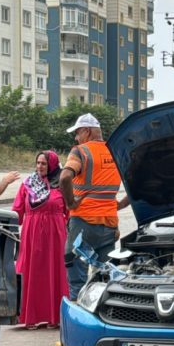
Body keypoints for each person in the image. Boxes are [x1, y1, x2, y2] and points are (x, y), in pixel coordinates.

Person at [59, 113, 130, 302]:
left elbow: (65, 177)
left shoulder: (80, 151)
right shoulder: (115, 151)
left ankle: (78, 311)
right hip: (109, 224)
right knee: (105, 277)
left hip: (84, 222)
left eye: (77, 133)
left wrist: (70, 203)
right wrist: (120, 204)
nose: (76, 138)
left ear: (86, 131)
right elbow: (137, 181)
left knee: (74, 265)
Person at [11, 151, 69, 328]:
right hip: (32, 235)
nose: (40, 167)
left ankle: (54, 317)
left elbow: (70, 210)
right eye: (38, 163)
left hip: (55, 236)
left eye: (44, 163)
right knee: (31, 272)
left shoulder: (62, 184)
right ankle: (30, 317)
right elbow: (17, 212)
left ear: (52, 164)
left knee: (55, 272)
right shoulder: (28, 184)